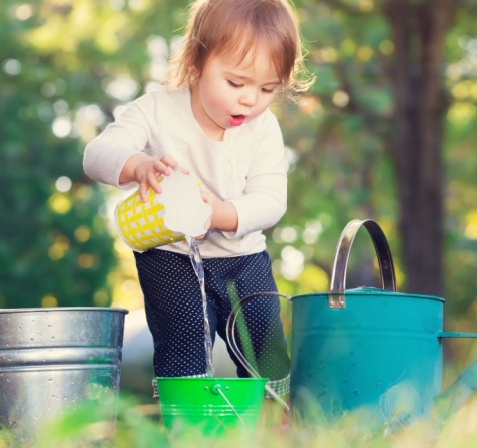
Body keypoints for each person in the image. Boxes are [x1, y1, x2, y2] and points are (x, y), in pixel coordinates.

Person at [82, 0, 312, 400]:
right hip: (170, 257)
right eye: (237, 83)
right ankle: (189, 429)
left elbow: (272, 199)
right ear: (196, 62)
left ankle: (274, 423)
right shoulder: (156, 110)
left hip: (243, 258)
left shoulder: (263, 128)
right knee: (183, 342)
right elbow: (95, 155)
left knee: (264, 339)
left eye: (268, 89)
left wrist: (219, 214)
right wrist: (137, 165)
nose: (250, 100)